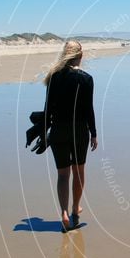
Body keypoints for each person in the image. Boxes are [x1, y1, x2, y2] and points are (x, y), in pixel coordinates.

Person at [43, 40, 98, 230]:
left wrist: (45, 132)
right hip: (79, 131)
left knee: (62, 175)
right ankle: (75, 209)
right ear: (80, 56)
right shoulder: (86, 79)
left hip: (58, 130)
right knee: (78, 171)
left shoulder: (53, 77)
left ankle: (64, 213)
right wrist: (94, 133)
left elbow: (48, 108)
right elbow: (88, 109)